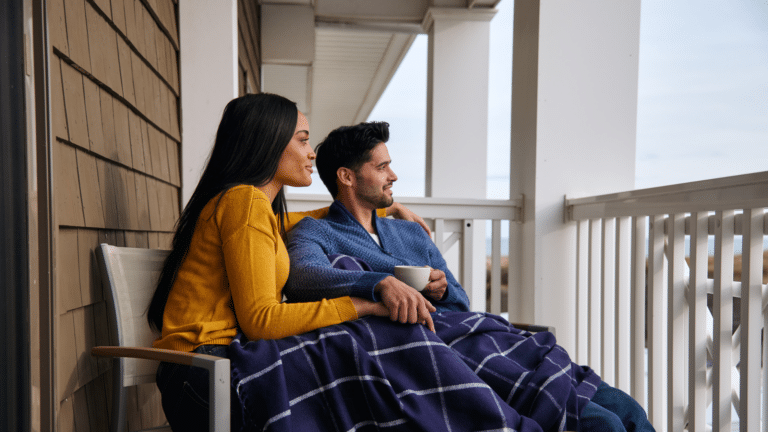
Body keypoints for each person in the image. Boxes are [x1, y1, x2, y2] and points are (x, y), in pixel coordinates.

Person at [284, 121, 655, 432]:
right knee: (601, 424)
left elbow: (461, 301)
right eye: (381, 167)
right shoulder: (316, 232)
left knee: (630, 413)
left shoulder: (410, 233)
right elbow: (303, 276)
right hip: (430, 353)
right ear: (347, 176)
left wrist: (442, 290)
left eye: (390, 165)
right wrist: (379, 283)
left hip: (477, 338)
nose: (393, 175)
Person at [146, 94, 438, 430]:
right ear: (268, 143)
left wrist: (384, 209)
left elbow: (310, 219)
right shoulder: (243, 204)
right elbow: (261, 321)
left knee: (351, 361)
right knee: (355, 369)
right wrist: (365, 304)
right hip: (206, 375)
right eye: (302, 140)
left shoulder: (253, 209)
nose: (312, 152)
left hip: (212, 367)